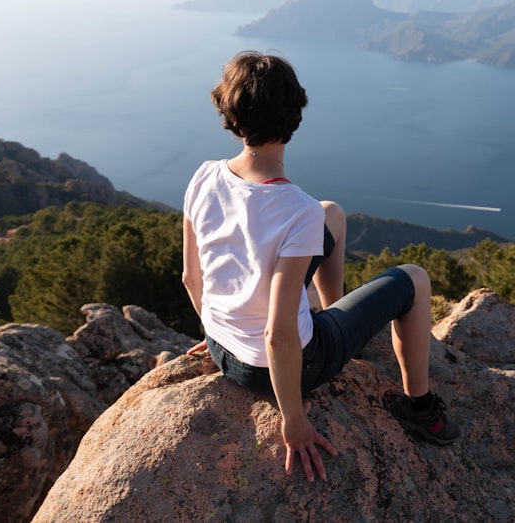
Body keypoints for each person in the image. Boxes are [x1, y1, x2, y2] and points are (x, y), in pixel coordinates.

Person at [182, 51, 459, 483]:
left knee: (333, 212)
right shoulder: (295, 209)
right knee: (416, 280)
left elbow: (191, 277)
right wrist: (293, 419)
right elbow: (277, 334)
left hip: (221, 349)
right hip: (289, 366)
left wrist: (219, 331)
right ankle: (419, 407)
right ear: (295, 117)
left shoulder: (203, 177)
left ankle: (334, 311)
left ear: (230, 113)